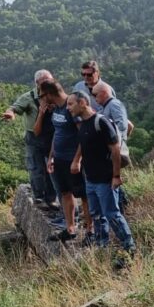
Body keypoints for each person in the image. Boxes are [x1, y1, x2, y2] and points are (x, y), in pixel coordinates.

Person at [66, 92, 136, 267]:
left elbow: (115, 149)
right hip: (90, 179)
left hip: (105, 179)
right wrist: (76, 160)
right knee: (96, 215)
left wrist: (116, 176)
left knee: (112, 214)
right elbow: (83, 143)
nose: (68, 108)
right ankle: (102, 247)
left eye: (71, 104)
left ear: (82, 103)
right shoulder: (83, 125)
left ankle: (129, 249)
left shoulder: (101, 122)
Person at [39, 80, 92, 241]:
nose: (41, 99)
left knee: (83, 195)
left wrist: (77, 159)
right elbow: (57, 132)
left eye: (42, 95)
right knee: (64, 193)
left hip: (73, 160)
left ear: (49, 94)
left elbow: (83, 134)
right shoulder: (57, 110)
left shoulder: (71, 107)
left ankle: (91, 230)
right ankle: (70, 229)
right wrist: (51, 156)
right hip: (59, 159)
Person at [2, 69, 57, 210]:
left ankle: (51, 199)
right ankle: (39, 198)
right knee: (36, 168)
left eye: (50, 81)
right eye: (45, 82)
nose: (48, 84)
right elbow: (14, 108)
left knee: (52, 168)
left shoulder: (55, 95)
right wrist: (10, 114)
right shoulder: (29, 97)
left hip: (53, 136)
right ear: (37, 83)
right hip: (34, 137)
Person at [92, 81, 133, 164]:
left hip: (113, 150)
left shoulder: (114, 104)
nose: (94, 98)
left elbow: (121, 126)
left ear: (103, 93)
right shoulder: (105, 106)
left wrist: (114, 144)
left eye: (95, 95)